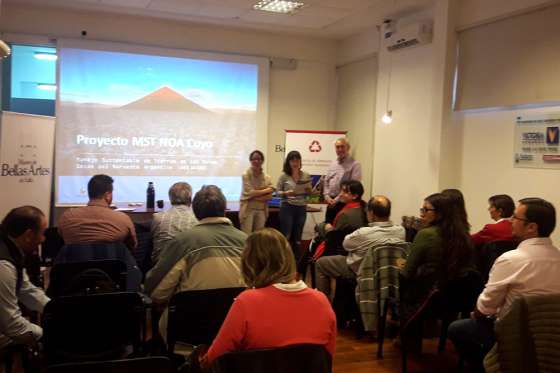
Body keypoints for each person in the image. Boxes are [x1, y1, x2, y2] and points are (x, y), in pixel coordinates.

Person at [448, 198, 560, 373]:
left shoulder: (511, 259)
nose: (511, 222)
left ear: (532, 227)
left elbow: (485, 308)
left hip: (513, 333)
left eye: (515, 217)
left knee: (457, 328)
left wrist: (476, 313)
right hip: (552, 339)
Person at [202, 228, 336, 366]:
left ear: (250, 263)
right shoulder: (321, 300)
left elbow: (214, 358)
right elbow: (327, 358)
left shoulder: (247, 302)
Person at [146, 185, 247, 342]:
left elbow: (156, 292)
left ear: (196, 211)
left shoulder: (182, 243)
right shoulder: (248, 242)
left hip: (187, 335)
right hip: (236, 333)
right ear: (225, 209)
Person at [315, 195, 405, 300]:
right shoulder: (401, 231)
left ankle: (323, 301)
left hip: (362, 271)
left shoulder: (363, 233)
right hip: (387, 273)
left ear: (371, 213)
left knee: (321, 263)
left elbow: (346, 244)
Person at [401, 193, 473, 320]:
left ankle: (405, 331)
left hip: (426, 298)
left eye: (426, 210)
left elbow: (407, 272)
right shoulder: (464, 235)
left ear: (440, 213)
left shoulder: (426, 234)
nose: (422, 214)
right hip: (454, 298)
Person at [0, 206, 50, 349]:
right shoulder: (4, 266)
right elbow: (12, 327)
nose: (43, 239)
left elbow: (27, 291)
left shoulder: (10, 247)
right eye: (42, 233)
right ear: (28, 235)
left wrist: (58, 309)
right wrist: (49, 335)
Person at [58, 174, 137, 251]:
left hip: (74, 263)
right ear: (107, 195)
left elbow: (61, 238)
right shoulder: (123, 219)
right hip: (111, 263)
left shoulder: (67, 217)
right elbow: (132, 246)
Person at [151, 182, 198, 264]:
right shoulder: (198, 219)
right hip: (189, 268)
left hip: (161, 268)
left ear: (170, 198)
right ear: (190, 199)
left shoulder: (158, 218)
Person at [276, 151, 312, 257]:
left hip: (301, 208)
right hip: (287, 207)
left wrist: (309, 191)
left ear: (300, 161)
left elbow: (308, 194)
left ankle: (296, 263)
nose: (295, 162)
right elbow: (277, 192)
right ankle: (283, 260)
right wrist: (286, 193)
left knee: (298, 237)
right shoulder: (284, 176)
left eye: (297, 160)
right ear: (288, 162)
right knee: (286, 235)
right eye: (292, 160)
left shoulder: (306, 175)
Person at [323, 138, 362, 223]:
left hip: (344, 203)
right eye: (337, 147)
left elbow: (353, 187)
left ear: (348, 148)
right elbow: (326, 181)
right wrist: (326, 196)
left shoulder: (355, 164)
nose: (340, 149)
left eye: (342, 147)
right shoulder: (333, 164)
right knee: (328, 227)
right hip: (331, 202)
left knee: (340, 230)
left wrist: (336, 200)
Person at [239, 150, 274, 234]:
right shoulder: (246, 175)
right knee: (246, 236)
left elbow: (269, 197)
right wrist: (267, 190)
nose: (256, 161)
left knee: (258, 237)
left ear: (262, 161)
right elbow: (251, 193)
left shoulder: (267, 177)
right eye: (254, 159)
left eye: (259, 159)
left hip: (262, 210)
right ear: (250, 160)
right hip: (248, 210)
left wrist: (255, 196)